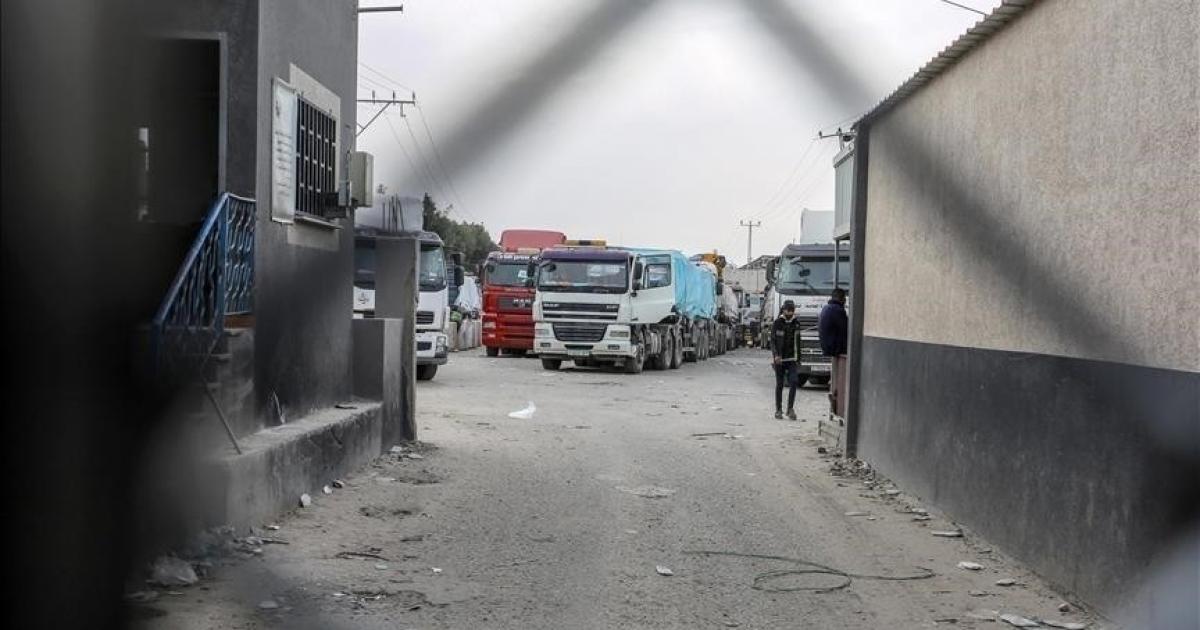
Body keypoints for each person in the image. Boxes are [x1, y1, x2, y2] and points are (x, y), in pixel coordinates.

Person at [818, 288, 849, 415]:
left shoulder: (826, 308)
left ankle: (833, 389)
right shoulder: (838, 310)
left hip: (827, 347)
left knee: (835, 373)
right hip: (835, 348)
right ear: (842, 299)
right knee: (840, 374)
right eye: (844, 299)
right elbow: (846, 329)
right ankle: (835, 394)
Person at [772, 300, 803, 420]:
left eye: (792, 310)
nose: (790, 313)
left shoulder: (796, 323)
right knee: (780, 384)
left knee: (794, 382)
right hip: (780, 359)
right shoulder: (777, 323)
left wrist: (799, 358)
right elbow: (773, 341)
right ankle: (778, 410)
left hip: (792, 359)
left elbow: (798, 342)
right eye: (788, 310)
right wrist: (776, 355)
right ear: (783, 310)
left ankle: (790, 409)